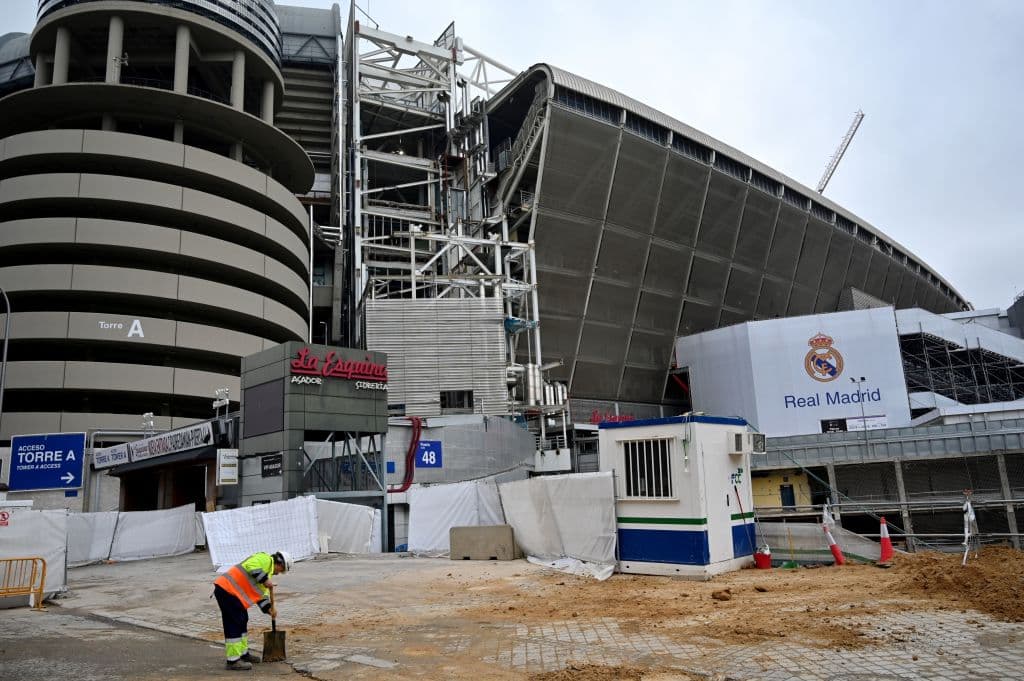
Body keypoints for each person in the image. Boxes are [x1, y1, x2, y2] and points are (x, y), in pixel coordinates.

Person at [213, 550, 294, 670]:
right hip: (226, 590)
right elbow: (251, 565)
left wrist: (268, 609)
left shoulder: (268, 573)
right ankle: (233, 660)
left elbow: (261, 596)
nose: (279, 573)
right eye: (281, 571)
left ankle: (243, 654)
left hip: (234, 595)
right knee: (234, 623)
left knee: (242, 620)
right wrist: (265, 580)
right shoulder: (265, 559)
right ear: (280, 564)